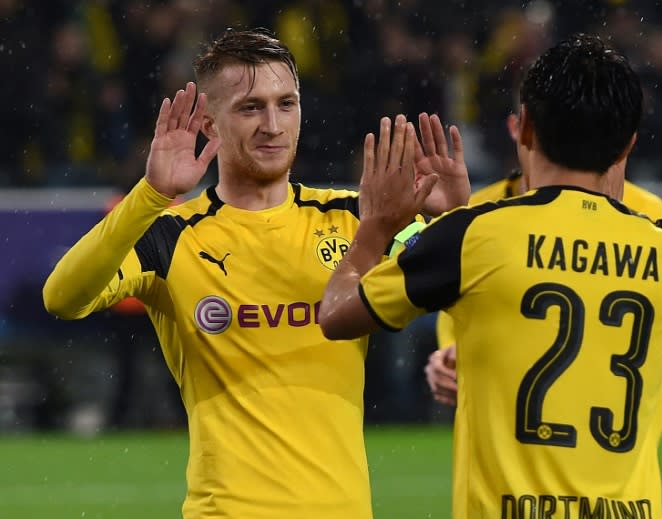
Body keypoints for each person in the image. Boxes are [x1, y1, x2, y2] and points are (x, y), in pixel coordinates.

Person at [42, 28, 469, 518]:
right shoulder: (172, 235)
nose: (273, 124)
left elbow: (467, 285)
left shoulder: (357, 220)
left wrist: (455, 217)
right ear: (209, 123)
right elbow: (62, 297)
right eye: (250, 108)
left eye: (285, 104)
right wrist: (150, 194)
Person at [318, 33, 662, 519]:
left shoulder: (477, 233)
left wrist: (375, 230)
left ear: (524, 131)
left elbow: (336, 316)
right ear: (628, 142)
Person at [426, 115, 662, 444]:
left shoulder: (648, 210)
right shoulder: (479, 207)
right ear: (517, 128)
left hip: (606, 411)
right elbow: (455, 309)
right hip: (516, 421)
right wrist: (448, 356)